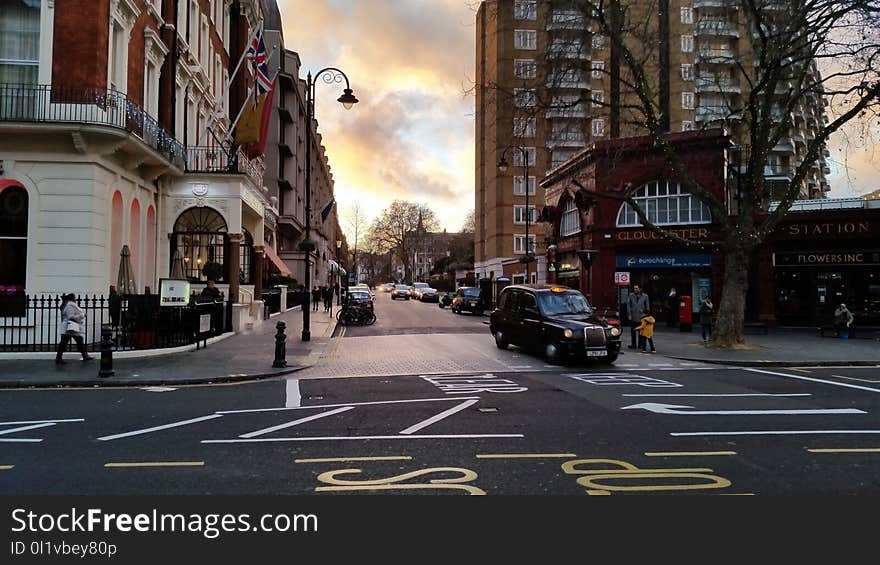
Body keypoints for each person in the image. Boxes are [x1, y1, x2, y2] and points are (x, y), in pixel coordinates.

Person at [55, 293, 94, 364]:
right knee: (66, 342)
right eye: (74, 297)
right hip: (70, 327)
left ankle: (84, 355)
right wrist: (82, 315)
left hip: (71, 327)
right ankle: (59, 358)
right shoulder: (70, 305)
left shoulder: (70, 305)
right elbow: (70, 316)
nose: (75, 299)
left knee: (76, 340)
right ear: (72, 298)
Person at [626, 285, 650, 349]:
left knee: (641, 332)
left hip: (641, 316)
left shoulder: (645, 296)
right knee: (633, 332)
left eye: (636, 288)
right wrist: (629, 315)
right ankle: (633, 345)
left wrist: (644, 313)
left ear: (640, 289)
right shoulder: (631, 295)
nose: (635, 289)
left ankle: (640, 345)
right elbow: (628, 306)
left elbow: (648, 307)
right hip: (633, 316)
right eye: (634, 288)